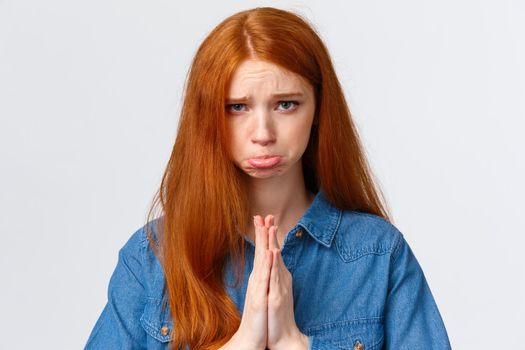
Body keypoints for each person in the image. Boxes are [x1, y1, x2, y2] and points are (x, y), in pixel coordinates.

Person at [85, 6, 451, 350]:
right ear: (208, 117)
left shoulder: (377, 254)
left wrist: (297, 344)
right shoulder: (152, 257)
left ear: (319, 109)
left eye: (286, 104)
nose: (263, 132)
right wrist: (243, 342)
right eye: (237, 107)